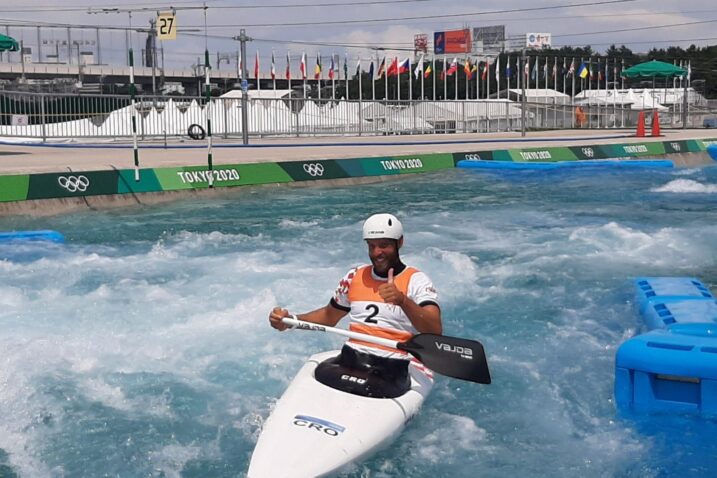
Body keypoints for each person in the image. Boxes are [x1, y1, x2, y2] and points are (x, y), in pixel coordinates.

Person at [268, 213, 442, 397]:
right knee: (321, 372)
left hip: (392, 366)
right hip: (350, 359)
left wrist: (403, 301)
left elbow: (434, 329)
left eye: (384, 245)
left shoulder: (416, 280)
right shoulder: (355, 276)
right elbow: (329, 316)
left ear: (399, 243)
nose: (377, 253)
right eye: (372, 246)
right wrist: (290, 321)